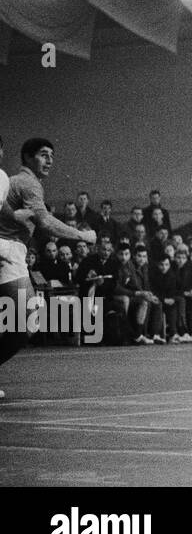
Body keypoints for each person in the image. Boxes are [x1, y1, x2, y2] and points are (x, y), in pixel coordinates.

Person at [1, 137, 95, 394]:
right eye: (43, 154)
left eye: (52, 155)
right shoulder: (28, 182)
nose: (50, 160)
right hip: (7, 253)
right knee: (29, 320)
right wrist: (83, 235)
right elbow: (46, 223)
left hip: (10, 251)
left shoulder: (13, 182)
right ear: (28, 157)